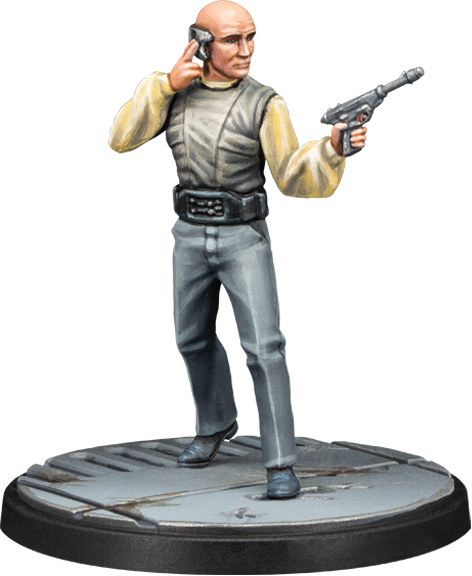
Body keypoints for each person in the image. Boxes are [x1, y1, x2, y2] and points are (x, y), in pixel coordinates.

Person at [109, 0, 366, 499]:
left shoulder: (264, 104)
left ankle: (280, 463)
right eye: (232, 39)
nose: (247, 50)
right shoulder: (171, 93)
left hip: (241, 236)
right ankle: (215, 424)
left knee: (264, 349)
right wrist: (165, 86)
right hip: (188, 233)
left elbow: (290, 175)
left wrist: (331, 149)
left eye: (251, 37)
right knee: (191, 338)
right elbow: (121, 138)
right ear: (201, 43)